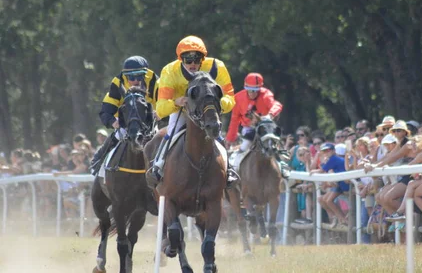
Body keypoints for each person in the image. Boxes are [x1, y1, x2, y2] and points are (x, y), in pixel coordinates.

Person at [148, 35, 237, 186]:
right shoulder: (169, 71)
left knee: (216, 131)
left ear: (203, 59)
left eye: (197, 59)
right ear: (180, 59)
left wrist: (217, 103)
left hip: (207, 109)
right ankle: (159, 165)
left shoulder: (217, 66)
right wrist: (176, 102)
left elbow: (231, 99)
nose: (193, 64)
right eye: (188, 60)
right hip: (182, 110)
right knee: (171, 131)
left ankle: (229, 171)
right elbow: (161, 109)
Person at [90, 56, 159, 175]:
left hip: (149, 119)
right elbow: (106, 111)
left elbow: (164, 102)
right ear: (126, 76)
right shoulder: (117, 83)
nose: (136, 80)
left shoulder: (155, 82)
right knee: (118, 134)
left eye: (139, 76)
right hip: (127, 121)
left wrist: (160, 113)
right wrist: (113, 121)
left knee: (162, 137)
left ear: (145, 75)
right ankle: (98, 161)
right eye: (131, 77)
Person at [225, 72, 289, 176]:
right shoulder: (237, 98)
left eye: (255, 90)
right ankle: (233, 172)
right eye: (249, 90)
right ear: (245, 88)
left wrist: (270, 115)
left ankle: (283, 169)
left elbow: (277, 105)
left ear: (260, 88)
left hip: (265, 127)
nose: (252, 93)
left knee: (274, 146)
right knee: (244, 146)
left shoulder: (266, 95)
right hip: (249, 128)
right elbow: (234, 120)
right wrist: (229, 138)